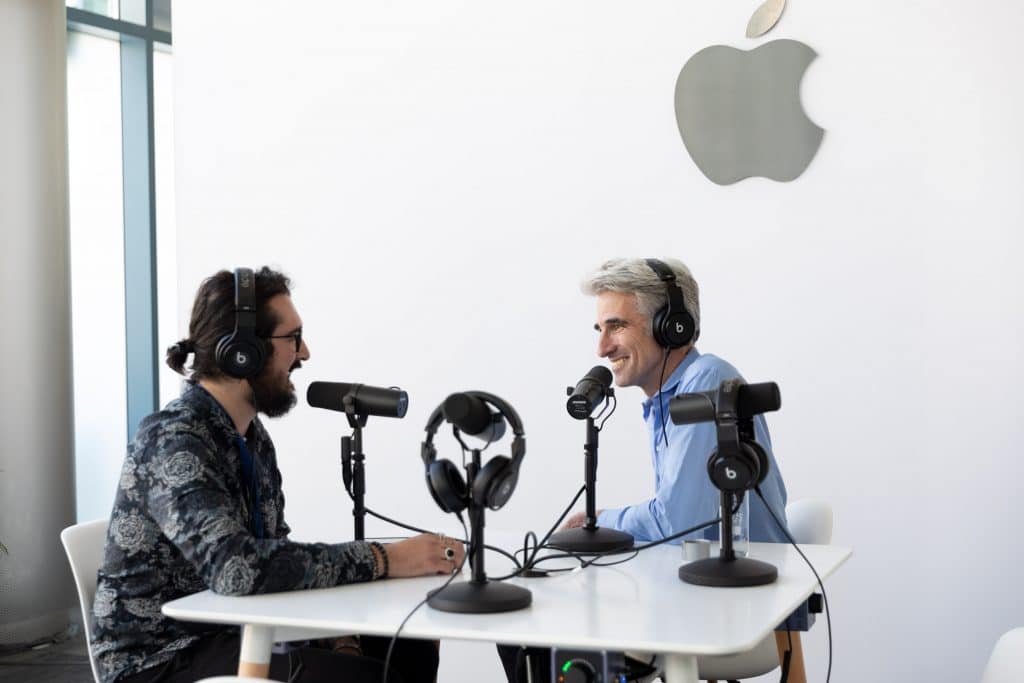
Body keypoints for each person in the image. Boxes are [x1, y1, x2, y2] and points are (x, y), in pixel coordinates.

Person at [91, 266, 464, 683]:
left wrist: (337, 634)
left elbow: (273, 557)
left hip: (239, 632)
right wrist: (384, 559)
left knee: (409, 648)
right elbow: (236, 568)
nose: (304, 354)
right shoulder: (172, 438)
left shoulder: (252, 438)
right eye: (293, 339)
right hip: (160, 659)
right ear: (242, 351)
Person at [499, 257, 790, 683]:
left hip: (738, 607)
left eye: (617, 326)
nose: (602, 348)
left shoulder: (707, 383)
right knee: (524, 614)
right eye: (599, 330)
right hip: (696, 588)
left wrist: (598, 522)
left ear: (672, 327)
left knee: (533, 627)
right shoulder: (668, 399)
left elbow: (679, 521)